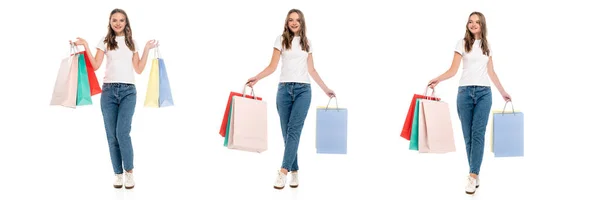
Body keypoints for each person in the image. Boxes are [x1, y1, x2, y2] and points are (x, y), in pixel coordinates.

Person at [246, 9, 336, 190]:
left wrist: (325, 89)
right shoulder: (280, 40)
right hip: (284, 91)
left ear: (302, 23)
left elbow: (312, 70)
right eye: (290, 20)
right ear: (287, 23)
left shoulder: (307, 43)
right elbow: (272, 66)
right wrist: (257, 77)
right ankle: (295, 170)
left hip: (304, 91)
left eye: (297, 20)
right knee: (286, 134)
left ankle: (283, 172)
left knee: (294, 131)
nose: (294, 23)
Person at [70, 8, 158, 189]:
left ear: (127, 23)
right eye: (114, 20)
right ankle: (118, 174)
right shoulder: (104, 42)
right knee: (111, 136)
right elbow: (95, 66)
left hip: (128, 92)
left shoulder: (132, 42)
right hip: (109, 92)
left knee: (122, 133)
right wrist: (85, 45)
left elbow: (139, 69)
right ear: (110, 22)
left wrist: (147, 49)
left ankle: (129, 172)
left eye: (122, 20)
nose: (118, 23)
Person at [427, 11, 512, 195]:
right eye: (470, 21)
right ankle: (475, 173)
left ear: (482, 25)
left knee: (478, 135)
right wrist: (438, 79)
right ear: (467, 24)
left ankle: (472, 176)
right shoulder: (462, 43)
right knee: (468, 137)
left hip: (484, 94)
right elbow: (453, 70)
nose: (473, 24)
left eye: (477, 22)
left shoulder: (487, 46)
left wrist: (503, 92)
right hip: (464, 93)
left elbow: (492, 72)